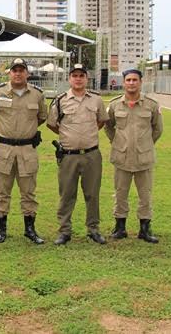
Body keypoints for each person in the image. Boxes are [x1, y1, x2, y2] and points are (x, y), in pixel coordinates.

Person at [0, 58, 47, 244]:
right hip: (4, 149)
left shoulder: (37, 95)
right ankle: (1, 229)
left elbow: (42, 117)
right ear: (9, 73)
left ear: (27, 73)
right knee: (2, 191)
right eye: (14, 70)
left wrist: (26, 131)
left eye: (21, 70)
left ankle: (30, 229)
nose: (18, 73)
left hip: (27, 149)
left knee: (28, 192)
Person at [47, 63, 109, 245]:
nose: (78, 79)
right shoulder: (60, 100)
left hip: (91, 155)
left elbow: (101, 121)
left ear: (86, 79)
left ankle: (93, 229)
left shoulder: (96, 100)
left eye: (82, 75)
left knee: (92, 194)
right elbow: (52, 124)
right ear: (69, 79)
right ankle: (64, 231)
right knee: (67, 194)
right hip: (68, 156)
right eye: (75, 75)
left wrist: (86, 136)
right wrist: (68, 136)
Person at [104, 69, 163, 243]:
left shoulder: (151, 105)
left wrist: (145, 145)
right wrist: (118, 143)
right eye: (128, 80)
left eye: (134, 80)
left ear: (140, 82)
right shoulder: (115, 105)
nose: (131, 83)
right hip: (121, 158)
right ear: (123, 82)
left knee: (145, 194)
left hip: (143, 158)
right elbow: (109, 127)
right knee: (120, 193)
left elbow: (158, 129)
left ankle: (145, 229)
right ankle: (120, 227)